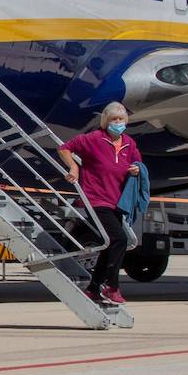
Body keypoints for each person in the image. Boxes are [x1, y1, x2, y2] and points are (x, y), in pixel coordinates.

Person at [56, 101, 141, 305]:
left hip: (116, 201)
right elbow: (64, 148)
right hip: (96, 199)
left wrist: (137, 169)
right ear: (106, 121)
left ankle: (94, 289)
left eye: (120, 119)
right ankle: (112, 287)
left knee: (110, 243)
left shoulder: (129, 143)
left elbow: (137, 163)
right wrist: (74, 167)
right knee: (119, 239)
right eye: (113, 119)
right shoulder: (94, 139)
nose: (117, 123)